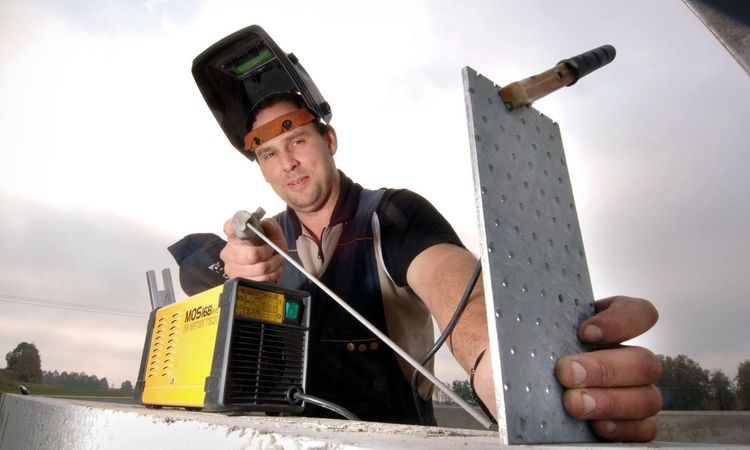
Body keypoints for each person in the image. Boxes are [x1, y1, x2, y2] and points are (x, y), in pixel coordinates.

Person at [210, 90, 663, 441]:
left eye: (298, 141)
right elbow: (198, 275)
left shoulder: (393, 216)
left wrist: (509, 371)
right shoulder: (263, 241)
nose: (288, 164)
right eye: (269, 154)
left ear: (329, 141)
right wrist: (230, 275)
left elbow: (456, 285)